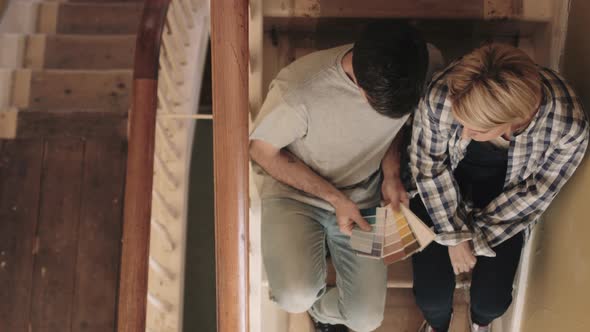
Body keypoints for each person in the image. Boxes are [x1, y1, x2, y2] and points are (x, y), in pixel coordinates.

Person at [249, 21, 442, 332]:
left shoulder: (425, 63)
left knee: (366, 320)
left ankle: (321, 312)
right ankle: (308, 293)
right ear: (362, 89)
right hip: (294, 191)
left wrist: (391, 172)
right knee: (293, 297)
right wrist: (334, 198)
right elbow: (261, 152)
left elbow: (394, 127)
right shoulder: (298, 90)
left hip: (364, 193)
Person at [409, 43, 589, 332]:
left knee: (491, 302)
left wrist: (475, 238)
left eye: (477, 129)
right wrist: (455, 236)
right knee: (430, 296)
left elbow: (536, 193)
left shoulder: (569, 128)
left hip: (508, 203)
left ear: (514, 123)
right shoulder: (444, 94)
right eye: (461, 122)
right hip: (443, 185)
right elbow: (429, 164)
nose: (464, 133)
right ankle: (437, 325)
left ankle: (480, 324)